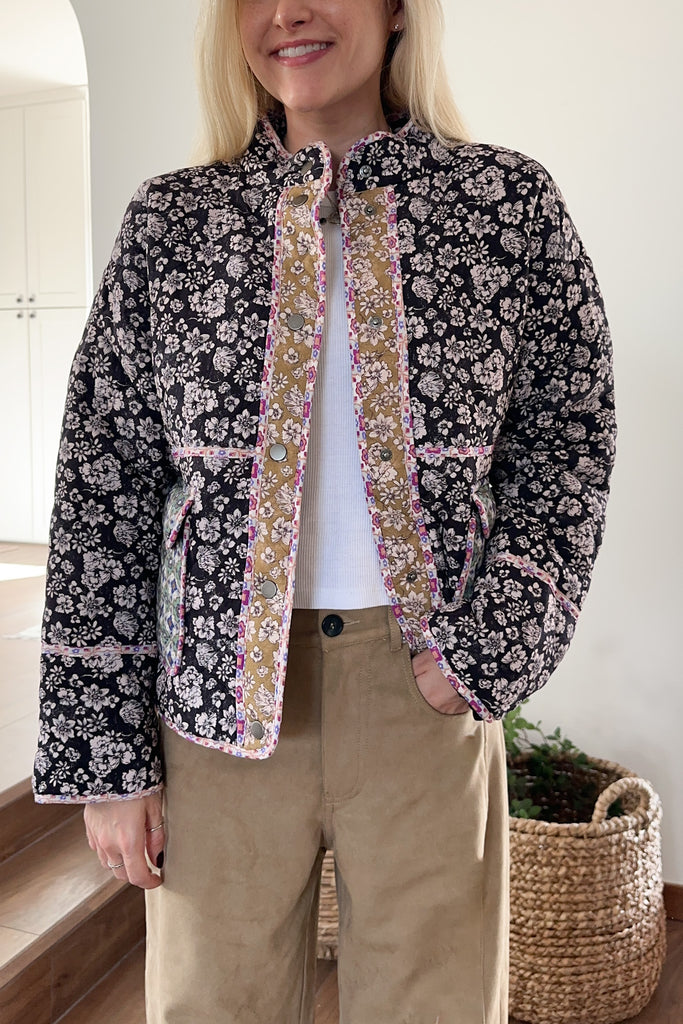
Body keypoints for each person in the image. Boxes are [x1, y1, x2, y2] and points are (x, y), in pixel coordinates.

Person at [33, 0, 616, 1021]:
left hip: (421, 696)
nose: (287, 12)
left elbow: (567, 437)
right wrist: (104, 758)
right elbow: (104, 486)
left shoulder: (501, 206)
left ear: (397, 9)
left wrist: (493, 646)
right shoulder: (174, 223)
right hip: (213, 704)